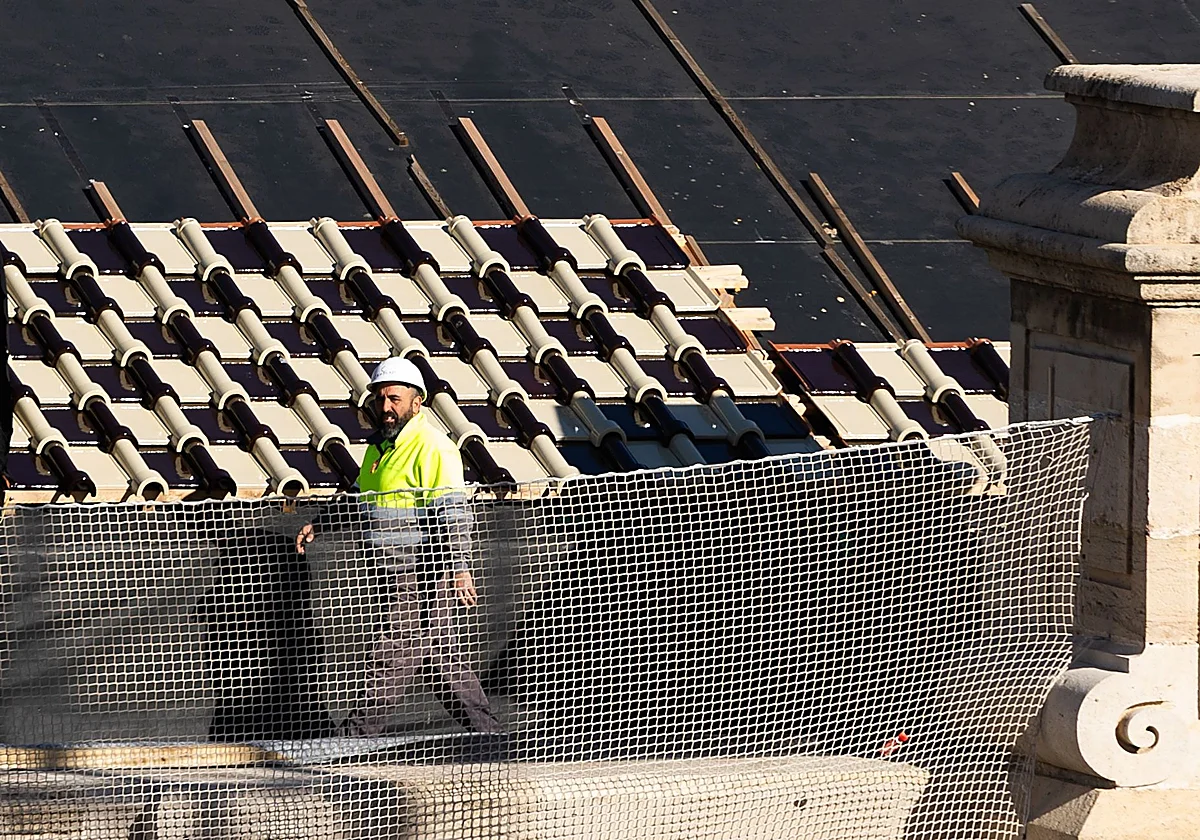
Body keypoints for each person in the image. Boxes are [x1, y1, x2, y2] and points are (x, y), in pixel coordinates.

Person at [295, 356, 503, 736]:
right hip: (389, 574)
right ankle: (490, 737)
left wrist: (458, 568)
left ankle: (353, 739)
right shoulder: (379, 450)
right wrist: (320, 524)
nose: (386, 407)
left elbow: (453, 512)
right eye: (381, 399)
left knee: (390, 658)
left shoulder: (433, 448)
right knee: (443, 660)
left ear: (416, 402)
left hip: (421, 576)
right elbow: (360, 497)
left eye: (394, 399)